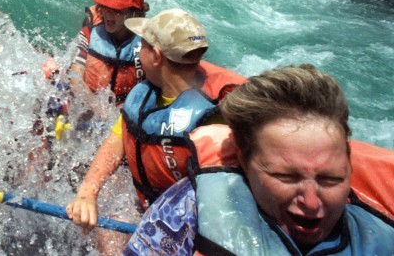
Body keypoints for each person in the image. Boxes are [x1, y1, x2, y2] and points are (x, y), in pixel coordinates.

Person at [124, 65, 394, 255]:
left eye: (331, 178)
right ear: (243, 158)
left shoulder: (381, 228)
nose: (312, 202)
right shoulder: (188, 210)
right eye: (285, 177)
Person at [66, 9, 245, 254]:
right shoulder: (147, 92)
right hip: (147, 202)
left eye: (143, 45)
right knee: (108, 234)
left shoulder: (216, 117)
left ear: (156, 56)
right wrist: (88, 192)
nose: (138, 50)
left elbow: (226, 204)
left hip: (193, 225)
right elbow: (117, 140)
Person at [67, 0, 148, 105]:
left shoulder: (148, 42)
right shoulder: (90, 30)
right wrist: (96, 108)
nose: (108, 14)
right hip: (87, 101)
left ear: (133, 14)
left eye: (116, 10)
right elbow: (75, 75)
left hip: (125, 108)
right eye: (106, 7)